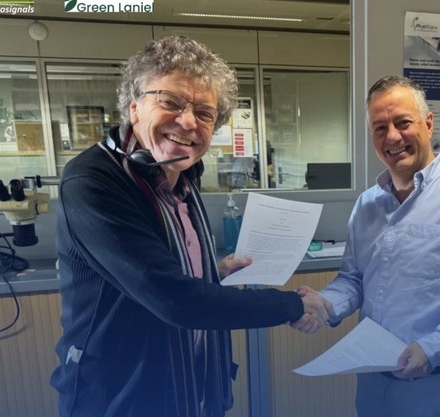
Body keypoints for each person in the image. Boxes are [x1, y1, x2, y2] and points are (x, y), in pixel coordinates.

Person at [50, 34, 331, 417]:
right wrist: (290, 305)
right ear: (134, 107)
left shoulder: (182, 175)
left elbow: (162, 269)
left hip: (192, 384)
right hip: (122, 397)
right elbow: (173, 298)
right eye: (170, 101)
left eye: (204, 113)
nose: (187, 122)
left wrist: (211, 274)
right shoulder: (94, 181)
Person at [293, 75, 440, 417]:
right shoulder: (367, 204)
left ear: (429, 123)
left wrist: (431, 347)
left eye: (403, 123)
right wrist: (325, 304)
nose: (392, 137)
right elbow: (354, 279)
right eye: (380, 128)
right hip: (372, 379)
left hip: (434, 383)